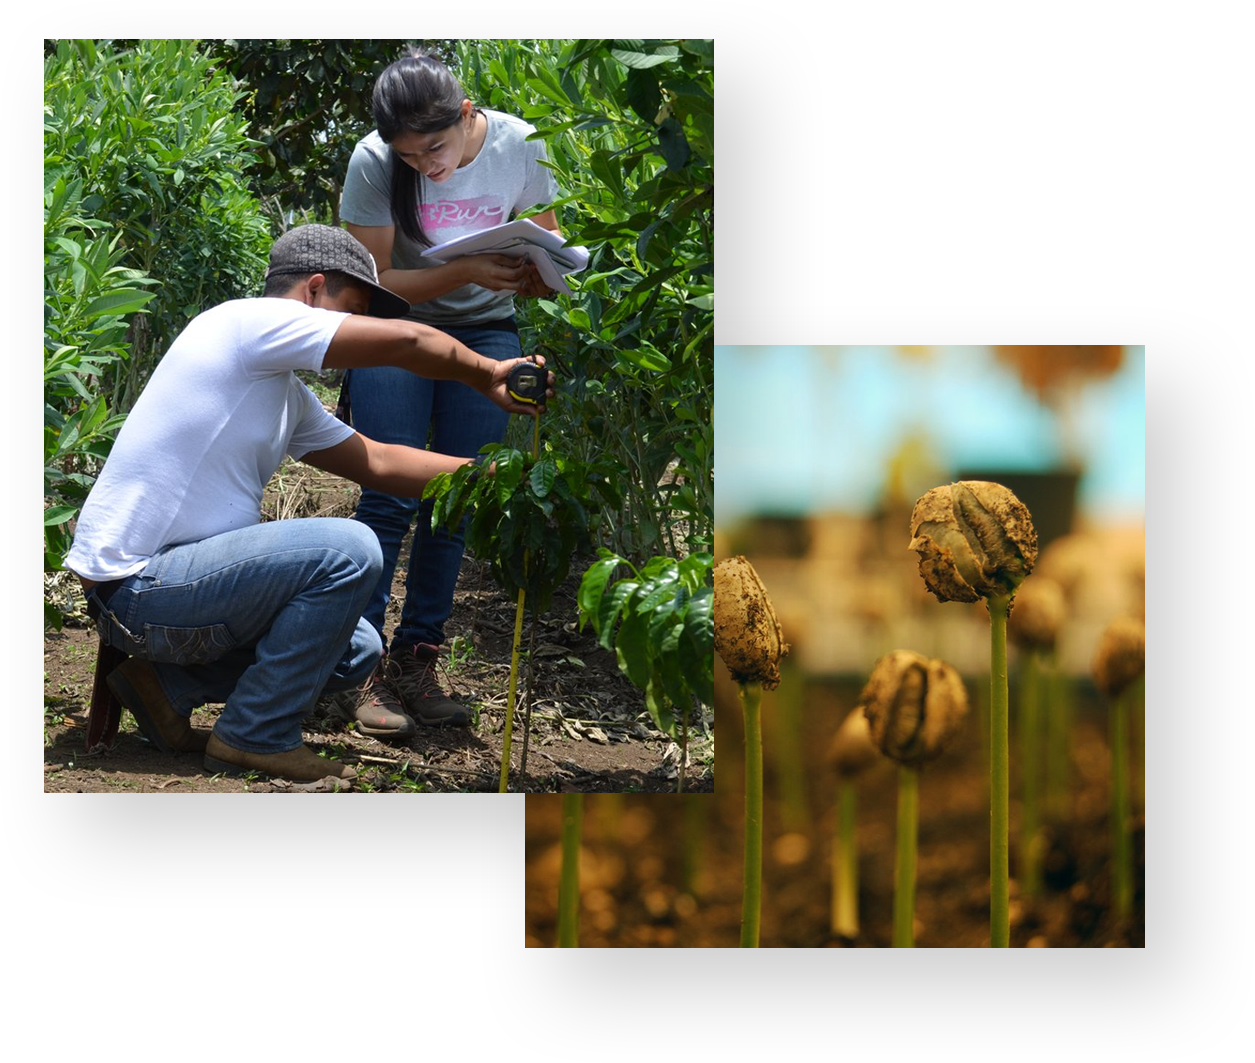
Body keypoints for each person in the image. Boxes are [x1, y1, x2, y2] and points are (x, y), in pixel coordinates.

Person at [64, 224, 552, 785]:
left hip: (179, 594)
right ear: (314, 290)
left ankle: (163, 689)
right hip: (138, 590)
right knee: (349, 548)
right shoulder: (244, 323)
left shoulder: (282, 392)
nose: (363, 328)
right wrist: (490, 371)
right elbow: (410, 341)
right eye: (357, 309)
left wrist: (497, 478)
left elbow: (378, 462)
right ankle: (254, 736)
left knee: (359, 647)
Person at [338, 47, 562, 733]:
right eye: (410, 158)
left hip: (488, 332)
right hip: (391, 331)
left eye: (433, 148)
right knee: (387, 493)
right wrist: (464, 268)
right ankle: (358, 664)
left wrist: (538, 273)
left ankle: (417, 657)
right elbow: (367, 282)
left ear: (467, 115)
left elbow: (549, 246)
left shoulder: (520, 144)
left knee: (459, 494)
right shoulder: (372, 163)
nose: (425, 167)